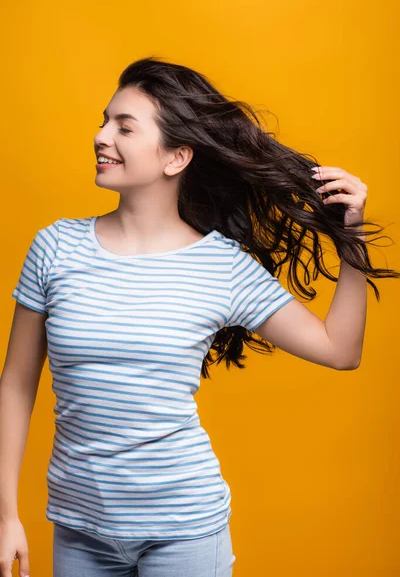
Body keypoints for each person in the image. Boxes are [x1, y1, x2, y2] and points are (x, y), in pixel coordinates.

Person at [0, 56, 398, 577]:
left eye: (124, 127)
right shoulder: (56, 248)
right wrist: (7, 513)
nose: (101, 137)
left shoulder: (220, 266)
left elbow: (340, 350)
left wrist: (351, 237)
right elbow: (16, 383)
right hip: (80, 528)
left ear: (176, 157)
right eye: (103, 122)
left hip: (185, 531)